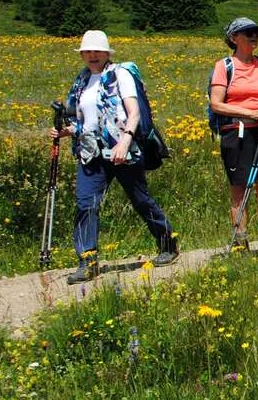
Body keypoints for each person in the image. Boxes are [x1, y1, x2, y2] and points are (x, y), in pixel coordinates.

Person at [52, 30, 178, 284]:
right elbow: (81, 120)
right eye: (87, 52)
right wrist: (66, 131)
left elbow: (133, 113)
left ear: (107, 53)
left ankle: (168, 244)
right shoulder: (81, 81)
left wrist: (125, 140)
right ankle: (87, 261)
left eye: (97, 51)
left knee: (140, 199)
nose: (92, 56)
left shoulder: (121, 75)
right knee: (86, 203)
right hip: (91, 152)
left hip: (123, 149)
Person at [209, 17, 258, 252]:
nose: (254, 36)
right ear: (233, 38)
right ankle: (241, 244)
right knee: (240, 188)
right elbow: (217, 104)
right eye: (247, 32)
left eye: (256, 32)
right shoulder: (224, 66)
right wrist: (250, 112)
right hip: (236, 133)